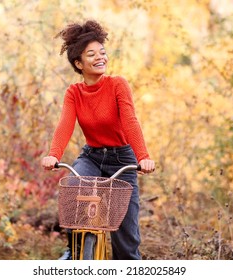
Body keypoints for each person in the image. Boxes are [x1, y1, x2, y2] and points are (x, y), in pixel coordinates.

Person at [42, 20, 155, 260]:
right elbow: (65, 125)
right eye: (91, 54)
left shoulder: (117, 85)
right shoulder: (74, 92)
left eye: (102, 52)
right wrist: (54, 154)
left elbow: (130, 122)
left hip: (122, 160)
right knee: (73, 187)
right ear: (78, 63)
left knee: (126, 238)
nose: (100, 57)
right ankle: (75, 252)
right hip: (92, 157)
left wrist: (143, 157)